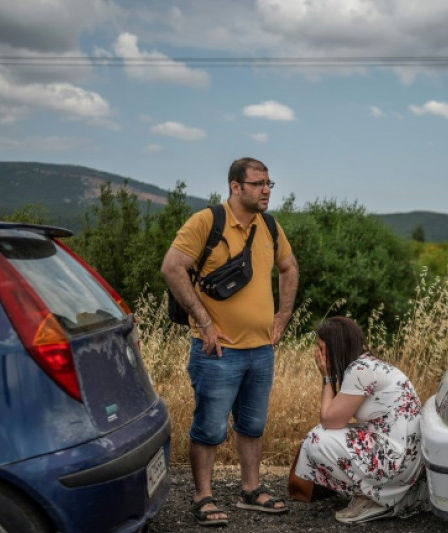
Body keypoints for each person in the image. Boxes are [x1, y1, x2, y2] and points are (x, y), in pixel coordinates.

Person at [161, 157, 299, 527]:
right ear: (236, 187)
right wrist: (203, 321)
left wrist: (283, 316)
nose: (267, 190)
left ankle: (251, 490)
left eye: (270, 183)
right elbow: (172, 267)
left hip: (260, 349)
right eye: (258, 184)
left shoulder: (269, 225)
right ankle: (203, 496)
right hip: (217, 351)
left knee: (252, 425)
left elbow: (290, 268)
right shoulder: (207, 222)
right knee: (209, 428)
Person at [295, 316, 426, 524]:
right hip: (406, 457)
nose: (317, 355)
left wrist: (327, 376)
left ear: (335, 347)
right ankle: (387, 494)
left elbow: (330, 420)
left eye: (320, 348)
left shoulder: (360, 370)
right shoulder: (367, 364)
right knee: (325, 435)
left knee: (317, 440)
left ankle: (372, 499)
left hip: (398, 461)